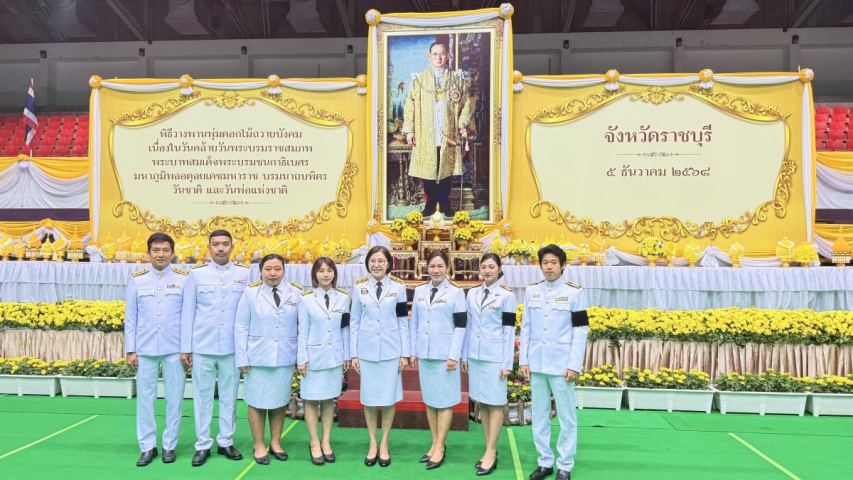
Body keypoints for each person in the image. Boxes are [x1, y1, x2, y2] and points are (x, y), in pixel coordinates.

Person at [180, 229, 250, 466]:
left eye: (225, 244)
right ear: (208, 248)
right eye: (216, 244)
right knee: (202, 397)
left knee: (230, 396)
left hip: (232, 346)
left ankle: (226, 441)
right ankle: (202, 444)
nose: (221, 248)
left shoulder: (244, 273)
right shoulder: (196, 274)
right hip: (203, 344)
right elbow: (188, 311)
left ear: (232, 247)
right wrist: (186, 347)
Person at [519, 245, 589, 480]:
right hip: (537, 362)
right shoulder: (532, 291)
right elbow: (526, 327)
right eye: (545, 262)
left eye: (553, 263)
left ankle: (565, 464)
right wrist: (524, 359)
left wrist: (574, 364)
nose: (549, 267)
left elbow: (580, 330)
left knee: (567, 416)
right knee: (539, 413)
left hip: (562, 365)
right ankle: (544, 461)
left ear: (563, 265)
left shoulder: (574, 293)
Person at [125, 232, 189, 467]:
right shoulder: (137, 279)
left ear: (172, 253)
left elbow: (187, 316)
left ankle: (169, 445)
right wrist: (130, 349)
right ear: (148, 253)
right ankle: (147, 446)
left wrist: (186, 348)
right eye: (156, 250)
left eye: (165, 250)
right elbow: (130, 317)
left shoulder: (184, 278)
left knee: (175, 399)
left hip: (175, 347)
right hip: (145, 347)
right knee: (145, 399)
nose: (161, 254)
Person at [234, 254, 302, 465]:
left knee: (279, 401)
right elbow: (240, 326)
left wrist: (301, 357)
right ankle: (258, 444)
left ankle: (275, 442)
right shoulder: (250, 292)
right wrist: (242, 357)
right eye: (268, 269)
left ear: (284, 270)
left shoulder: (296, 292)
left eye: (277, 269)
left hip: (284, 356)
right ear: (261, 271)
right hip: (257, 357)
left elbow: (302, 326)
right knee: (256, 401)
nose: (273, 273)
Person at [350, 246, 409, 468]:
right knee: (369, 399)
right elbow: (354, 322)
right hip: (366, 351)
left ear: (388, 264)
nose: (377, 265)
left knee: (388, 398)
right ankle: (372, 443)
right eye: (373, 261)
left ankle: (384, 443)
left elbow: (403, 321)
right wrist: (353, 354)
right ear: (367, 263)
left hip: (391, 351)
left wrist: (404, 354)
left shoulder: (398, 288)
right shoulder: (359, 288)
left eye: (381, 261)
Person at [409, 250, 467, 470]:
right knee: (431, 401)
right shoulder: (420, 290)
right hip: (425, 354)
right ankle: (434, 443)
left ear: (448, 268)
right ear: (426, 268)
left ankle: (441, 446)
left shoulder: (456, 292)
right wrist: (413, 351)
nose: (436, 270)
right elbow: (414, 323)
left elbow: (460, 326)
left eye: (440, 266)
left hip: (445, 356)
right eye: (432, 266)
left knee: (444, 402)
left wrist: (453, 355)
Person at [403, 41, 473, 217]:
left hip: (448, 132)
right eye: (435, 54)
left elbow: (467, 104)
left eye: (442, 54)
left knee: (445, 169)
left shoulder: (457, 79)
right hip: (425, 132)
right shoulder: (419, 80)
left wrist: (462, 122)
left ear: (448, 56)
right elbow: (409, 106)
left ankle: (445, 204)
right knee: (428, 169)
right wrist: (410, 130)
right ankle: (430, 204)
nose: (438, 57)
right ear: (429, 56)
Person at [462, 253, 517, 476]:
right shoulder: (472, 293)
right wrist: (464, 356)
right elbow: (468, 326)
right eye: (483, 267)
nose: (487, 271)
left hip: (495, 358)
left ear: (499, 269)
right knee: (482, 404)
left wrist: (507, 363)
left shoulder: (507, 295)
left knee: (494, 405)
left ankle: (491, 452)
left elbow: (509, 330)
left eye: (491, 267)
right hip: (476, 356)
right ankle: (488, 448)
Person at [297, 257, 351, 466]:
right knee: (311, 400)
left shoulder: (343, 298)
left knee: (328, 399)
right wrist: (302, 358)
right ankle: (314, 442)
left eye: (329, 270)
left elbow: (345, 329)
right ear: (315, 274)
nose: (325, 274)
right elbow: (302, 331)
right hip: (313, 358)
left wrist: (346, 355)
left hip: (334, 356)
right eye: (321, 271)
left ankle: (326, 441)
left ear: (334, 273)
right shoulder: (306, 299)